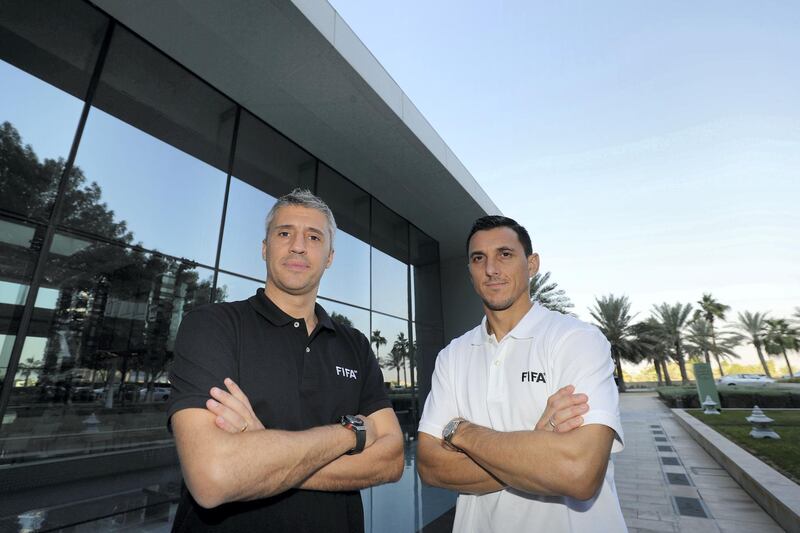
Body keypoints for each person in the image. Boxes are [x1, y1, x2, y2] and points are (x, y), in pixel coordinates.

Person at [167, 189, 404, 532]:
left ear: (329, 257)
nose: (298, 245)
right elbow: (213, 477)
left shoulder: (354, 344)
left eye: (313, 236)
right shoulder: (213, 326)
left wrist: (263, 453)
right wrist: (350, 433)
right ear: (265, 249)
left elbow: (393, 459)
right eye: (284, 233)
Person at [416, 215, 627, 532]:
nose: (491, 269)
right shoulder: (452, 356)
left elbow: (579, 473)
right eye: (479, 258)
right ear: (470, 272)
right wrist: (536, 451)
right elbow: (430, 466)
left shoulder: (575, 340)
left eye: (505, 254)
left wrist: (461, 433)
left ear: (531, 265)